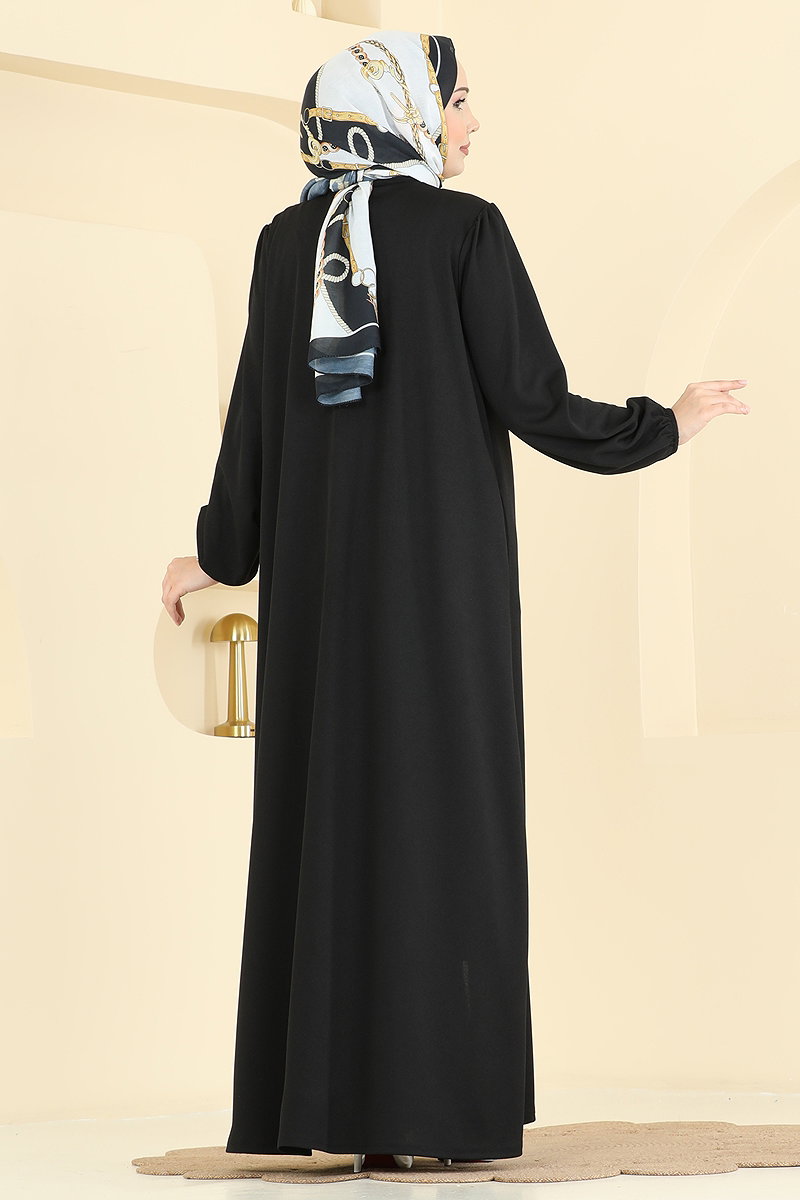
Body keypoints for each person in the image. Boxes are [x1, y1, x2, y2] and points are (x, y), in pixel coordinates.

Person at [161, 31, 750, 1172]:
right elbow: (533, 399)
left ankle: (333, 1112)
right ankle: (434, 1114)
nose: (473, 122)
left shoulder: (284, 246)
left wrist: (219, 555)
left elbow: (253, 433)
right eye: (460, 100)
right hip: (442, 595)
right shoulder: (463, 231)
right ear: (401, 112)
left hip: (321, 611)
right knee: (441, 823)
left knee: (333, 824)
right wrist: (662, 427)